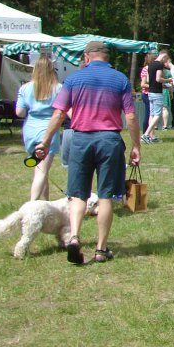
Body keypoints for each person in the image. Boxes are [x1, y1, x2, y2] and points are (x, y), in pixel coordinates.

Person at [34, 40, 141, 265]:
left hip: (81, 140)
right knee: (106, 197)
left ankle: (74, 237)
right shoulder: (120, 79)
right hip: (109, 141)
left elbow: (59, 114)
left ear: (87, 57)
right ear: (106, 57)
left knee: (78, 195)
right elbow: (130, 116)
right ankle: (101, 249)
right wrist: (136, 145)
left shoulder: (73, 79)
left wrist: (45, 142)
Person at [16, 56, 62, 200]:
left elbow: (19, 112)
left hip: (30, 130)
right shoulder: (58, 88)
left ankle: (45, 204)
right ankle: (32, 206)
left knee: (41, 169)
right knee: (41, 172)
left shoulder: (25, 88)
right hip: (48, 131)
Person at [142, 50, 170, 144]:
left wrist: (162, 85)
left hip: (150, 92)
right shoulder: (159, 65)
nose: (166, 62)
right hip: (157, 93)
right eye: (166, 60)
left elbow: (150, 80)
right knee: (157, 115)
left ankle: (150, 135)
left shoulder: (150, 65)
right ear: (164, 57)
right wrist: (167, 80)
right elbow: (158, 79)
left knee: (152, 114)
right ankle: (145, 135)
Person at [139, 52, 156, 136]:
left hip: (152, 94)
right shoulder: (146, 69)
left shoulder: (153, 69)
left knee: (152, 114)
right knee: (149, 114)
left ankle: (150, 134)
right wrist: (154, 85)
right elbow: (143, 84)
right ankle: (145, 133)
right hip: (147, 94)